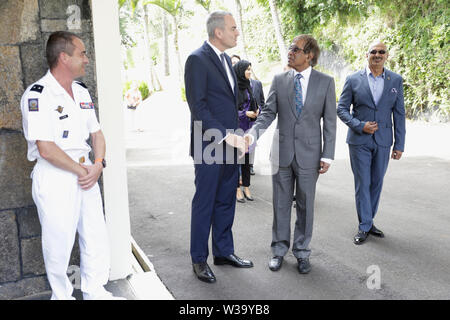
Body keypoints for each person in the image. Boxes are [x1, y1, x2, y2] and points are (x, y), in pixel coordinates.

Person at [20, 31, 124, 300]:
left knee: (95, 235)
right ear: (64, 57)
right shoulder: (38, 95)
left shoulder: (80, 92)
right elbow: (46, 148)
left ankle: (95, 291)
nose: (86, 60)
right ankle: (61, 296)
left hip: (87, 171)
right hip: (57, 176)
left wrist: (98, 164)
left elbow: (97, 134)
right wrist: (84, 172)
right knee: (58, 243)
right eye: (82, 53)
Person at [246, 34, 336, 274]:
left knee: (306, 206)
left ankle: (302, 252)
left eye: (296, 49)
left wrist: (327, 154)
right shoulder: (279, 80)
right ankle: (278, 250)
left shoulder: (326, 82)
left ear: (310, 55)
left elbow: (329, 122)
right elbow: (267, 113)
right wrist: (252, 134)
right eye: (290, 48)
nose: (290, 52)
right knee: (280, 204)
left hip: (310, 155)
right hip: (282, 153)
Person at [184, 11, 254, 284]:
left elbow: (229, 106)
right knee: (205, 202)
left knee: (226, 199)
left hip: (230, 143)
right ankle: (199, 259)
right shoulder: (197, 60)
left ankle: (224, 252)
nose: (237, 32)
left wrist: (239, 136)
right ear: (218, 32)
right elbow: (198, 107)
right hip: (208, 146)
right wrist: (227, 136)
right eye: (233, 28)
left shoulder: (226, 60)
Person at [337, 40, 406, 245]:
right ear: (366, 55)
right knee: (363, 183)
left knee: (376, 182)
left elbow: (399, 113)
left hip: (384, 140)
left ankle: (368, 220)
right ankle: (365, 225)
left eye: (381, 52)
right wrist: (359, 125)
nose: (377, 55)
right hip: (359, 140)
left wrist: (399, 144)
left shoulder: (395, 80)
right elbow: (341, 109)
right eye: (373, 52)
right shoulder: (352, 80)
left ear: (387, 56)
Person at [233, 60, 259, 202]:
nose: (249, 71)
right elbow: (229, 111)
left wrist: (256, 111)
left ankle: (247, 187)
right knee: (237, 160)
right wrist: (245, 114)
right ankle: (237, 188)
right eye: (247, 69)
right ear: (240, 71)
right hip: (237, 128)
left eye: (250, 69)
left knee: (247, 160)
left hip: (248, 128)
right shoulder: (233, 87)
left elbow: (252, 103)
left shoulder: (249, 85)